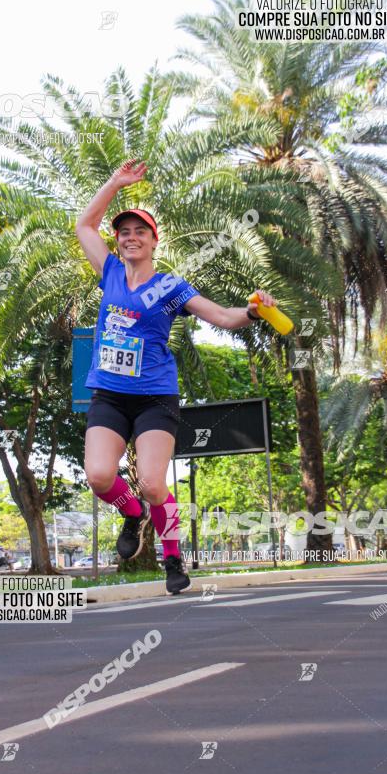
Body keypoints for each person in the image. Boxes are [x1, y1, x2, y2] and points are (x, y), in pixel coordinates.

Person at [75, 160, 277, 595]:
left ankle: (172, 557)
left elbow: (223, 316)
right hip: (109, 396)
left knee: (151, 482)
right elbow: (84, 225)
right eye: (124, 232)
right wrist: (115, 182)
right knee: (98, 476)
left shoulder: (170, 287)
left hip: (155, 398)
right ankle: (132, 515)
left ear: (153, 241)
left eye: (140, 232)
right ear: (119, 240)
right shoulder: (108, 272)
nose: (131, 238)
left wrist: (253, 311)